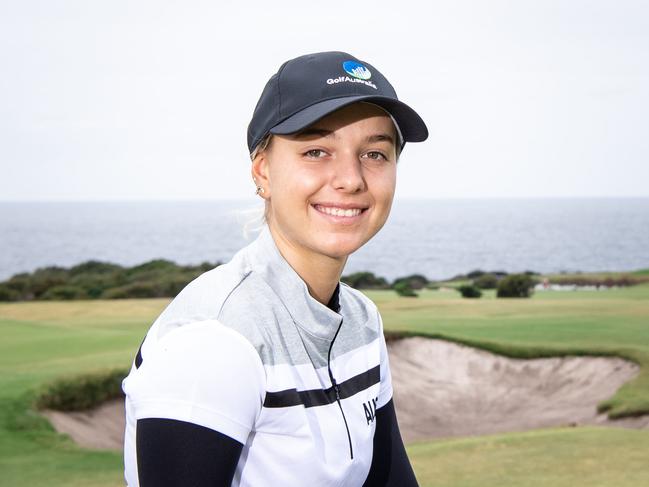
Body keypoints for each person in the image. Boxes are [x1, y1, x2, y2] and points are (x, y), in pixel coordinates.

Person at [122, 50, 428, 486]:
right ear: (262, 171)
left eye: (375, 154)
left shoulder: (361, 319)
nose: (351, 179)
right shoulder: (216, 339)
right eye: (317, 151)